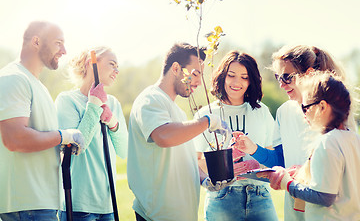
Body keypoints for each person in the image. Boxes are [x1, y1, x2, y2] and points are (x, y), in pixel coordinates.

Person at [233, 45, 353, 221]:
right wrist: (254, 151)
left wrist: (305, 172)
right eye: (277, 77)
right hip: (295, 211)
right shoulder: (283, 112)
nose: (281, 84)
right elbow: (281, 162)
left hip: (330, 212)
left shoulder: (333, 110)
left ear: (309, 74)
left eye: (287, 77)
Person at [127, 43, 234, 221]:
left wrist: (204, 179)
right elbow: (163, 136)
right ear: (176, 68)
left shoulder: (179, 112)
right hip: (156, 216)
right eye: (195, 73)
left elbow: (184, 160)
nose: (199, 82)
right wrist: (207, 121)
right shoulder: (150, 98)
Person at [0, 21, 84, 220]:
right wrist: (63, 136)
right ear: (36, 41)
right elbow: (15, 139)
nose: (64, 51)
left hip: (40, 204)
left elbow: (39, 138)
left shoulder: (36, 85)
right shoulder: (14, 78)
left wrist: (61, 145)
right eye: (58, 43)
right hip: (27, 206)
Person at [193, 51, 278, 221]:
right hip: (221, 199)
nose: (237, 82)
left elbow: (273, 157)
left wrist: (257, 161)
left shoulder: (261, 111)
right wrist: (223, 165)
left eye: (244, 77)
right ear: (222, 76)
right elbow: (194, 162)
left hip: (260, 195)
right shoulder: (206, 114)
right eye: (231, 75)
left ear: (251, 81)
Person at [265, 71, 360, 220]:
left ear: (322, 106)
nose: (304, 115)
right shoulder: (354, 138)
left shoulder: (327, 142)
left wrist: (287, 183)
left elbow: (324, 196)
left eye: (305, 108)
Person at [55, 46, 128, 220]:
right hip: (78, 204)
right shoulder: (67, 101)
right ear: (91, 63)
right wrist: (93, 107)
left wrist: (112, 122)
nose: (116, 71)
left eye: (117, 66)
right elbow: (75, 148)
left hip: (108, 205)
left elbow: (124, 151)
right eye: (112, 64)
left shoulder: (114, 103)